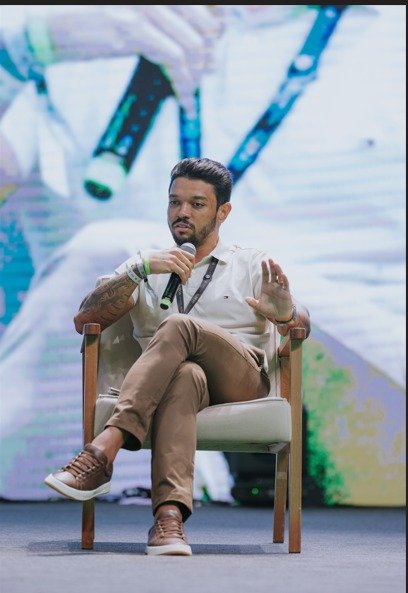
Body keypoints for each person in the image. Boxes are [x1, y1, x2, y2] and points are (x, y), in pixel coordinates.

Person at [44, 157, 311, 555]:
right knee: (184, 375)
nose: (182, 212)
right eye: (174, 202)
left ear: (223, 212)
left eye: (197, 204)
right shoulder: (146, 264)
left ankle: (103, 450)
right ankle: (168, 522)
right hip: (171, 385)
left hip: (241, 382)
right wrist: (137, 271)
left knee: (178, 326)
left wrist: (287, 314)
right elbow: (85, 319)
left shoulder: (250, 262)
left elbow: (301, 324)